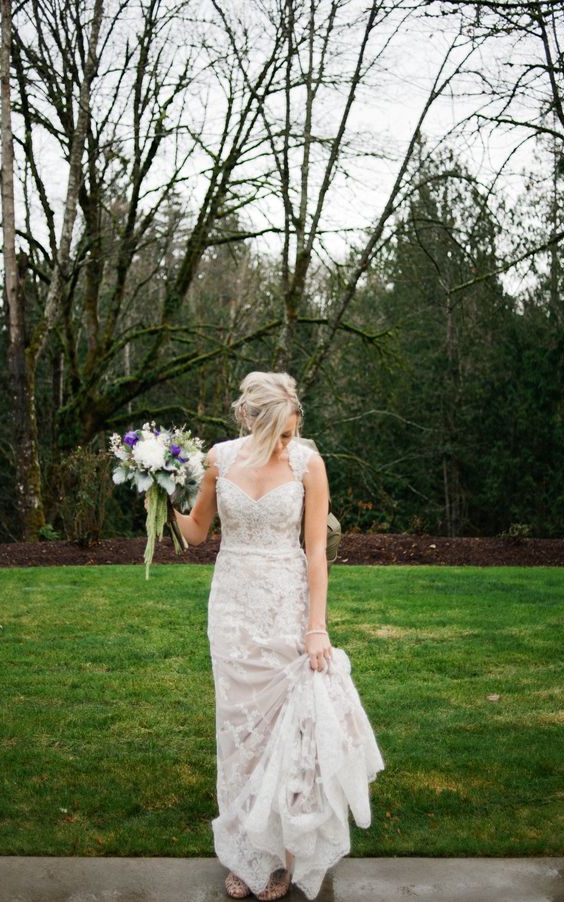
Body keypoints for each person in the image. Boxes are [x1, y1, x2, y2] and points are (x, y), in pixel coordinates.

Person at [167, 371, 385, 900]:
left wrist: (317, 627)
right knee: (239, 732)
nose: (290, 443)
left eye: (293, 432)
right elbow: (196, 532)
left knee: (289, 732)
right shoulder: (218, 459)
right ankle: (246, 854)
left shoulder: (308, 465)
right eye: (281, 434)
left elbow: (315, 550)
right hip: (233, 609)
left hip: (286, 608)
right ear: (250, 420)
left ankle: (285, 857)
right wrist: (160, 498)